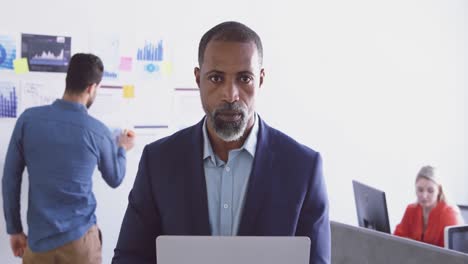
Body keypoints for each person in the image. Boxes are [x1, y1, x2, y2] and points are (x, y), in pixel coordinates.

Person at [112, 21, 330, 264]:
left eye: (244, 78)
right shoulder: (159, 161)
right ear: (198, 79)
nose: (230, 94)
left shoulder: (303, 168)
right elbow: (129, 258)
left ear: (260, 80)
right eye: (216, 78)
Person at [2, 53, 135, 264]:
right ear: (92, 88)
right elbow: (115, 178)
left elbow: (10, 178)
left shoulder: (28, 120)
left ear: (68, 80)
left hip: (38, 244)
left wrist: (14, 229)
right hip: (80, 243)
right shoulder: (97, 131)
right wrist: (122, 149)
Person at [394, 165, 464, 247]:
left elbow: (450, 252)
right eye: (420, 190)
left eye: (430, 191)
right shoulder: (411, 210)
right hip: (413, 258)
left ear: (439, 190)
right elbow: (396, 239)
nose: (424, 196)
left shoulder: (449, 214)